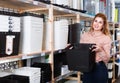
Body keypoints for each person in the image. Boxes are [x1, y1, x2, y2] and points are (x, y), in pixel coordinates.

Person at [80, 13, 112, 83]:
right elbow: (81, 51)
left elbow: (107, 59)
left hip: (99, 69)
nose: (97, 24)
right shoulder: (85, 35)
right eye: (96, 21)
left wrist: (100, 50)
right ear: (93, 22)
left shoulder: (106, 38)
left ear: (103, 25)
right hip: (87, 68)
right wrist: (73, 47)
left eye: (100, 22)